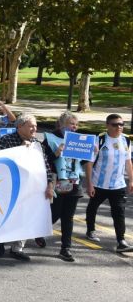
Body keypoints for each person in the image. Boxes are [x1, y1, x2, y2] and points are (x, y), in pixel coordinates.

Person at [0, 114, 55, 261]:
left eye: (35, 125)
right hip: (9, 187)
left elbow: (45, 166)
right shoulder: (6, 140)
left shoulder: (37, 144)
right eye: (31, 125)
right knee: (6, 216)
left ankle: (17, 248)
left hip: (31, 188)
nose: (35, 128)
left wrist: (50, 185)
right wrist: (20, 152)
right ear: (20, 126)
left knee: (27, 216)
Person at [36, 112, 84, 261]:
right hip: (57, 182)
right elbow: (43, 161)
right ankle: (38, 231)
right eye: (71, 124)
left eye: (76, 125)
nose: (74, 127)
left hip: (74, 182)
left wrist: (91, 154)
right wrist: (56, 152)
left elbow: (83, 162)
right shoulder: (49, 139)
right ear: (62, 124)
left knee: (68, 217)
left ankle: (65, 248)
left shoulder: (79, 140)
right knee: (55, 213)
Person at [84, 113, 133, 253]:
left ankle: (121, 241)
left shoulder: (126, 140)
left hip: (118, 185)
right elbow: (89, 163)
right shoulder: (99, 140)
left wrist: (131, 180)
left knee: (119, 212)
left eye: (121, 124)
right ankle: (90, 230)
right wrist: (89, 184)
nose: (119, 127)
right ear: (107, 126)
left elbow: (128, 162)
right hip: (98, 183)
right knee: (93, 207)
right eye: (115, 124)